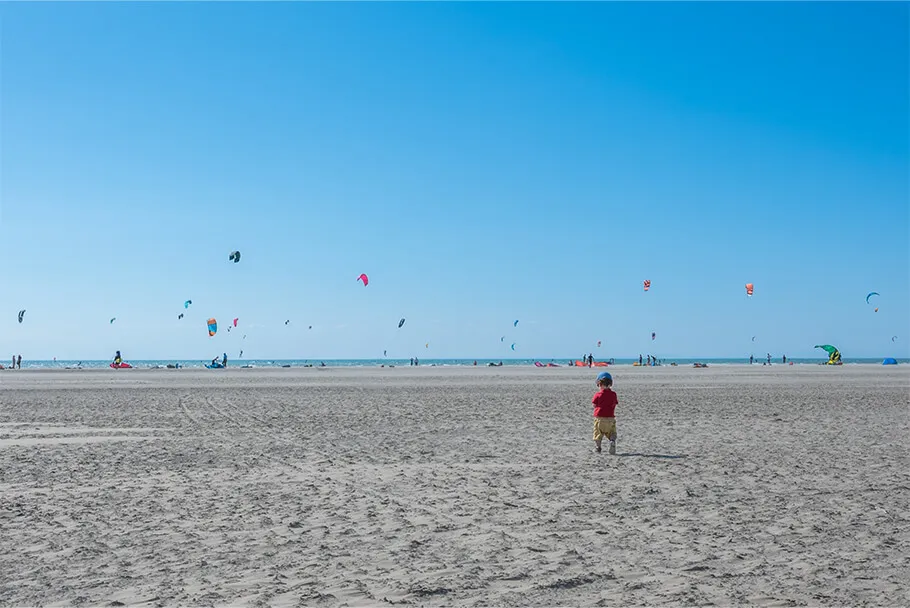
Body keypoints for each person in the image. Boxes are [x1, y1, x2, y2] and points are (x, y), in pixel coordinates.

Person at [591, 371, 618, 454]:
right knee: (612, 432)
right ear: (610, 384)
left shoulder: (598, 394)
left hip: (600, 418)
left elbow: (594, 404)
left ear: (599, 384)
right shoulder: (613, 394)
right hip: (610, 418)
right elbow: (615, 403)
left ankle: (598, 447)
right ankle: (612, 441)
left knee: (598, 433)